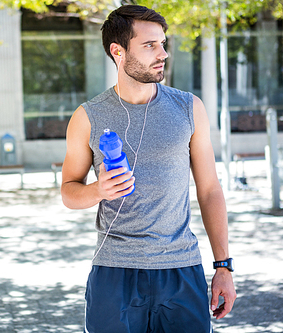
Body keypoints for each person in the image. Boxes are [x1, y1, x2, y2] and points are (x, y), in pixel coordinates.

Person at [60, 5, 237, 333]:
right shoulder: (88, 117)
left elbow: (210, 189)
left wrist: (223, 266)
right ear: (118, 51)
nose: (163, 53)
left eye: (163, 43)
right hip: (115, 272)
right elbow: (69, 192)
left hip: (181, 268)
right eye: (150, 45)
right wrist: (98, 190)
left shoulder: (188, 108)